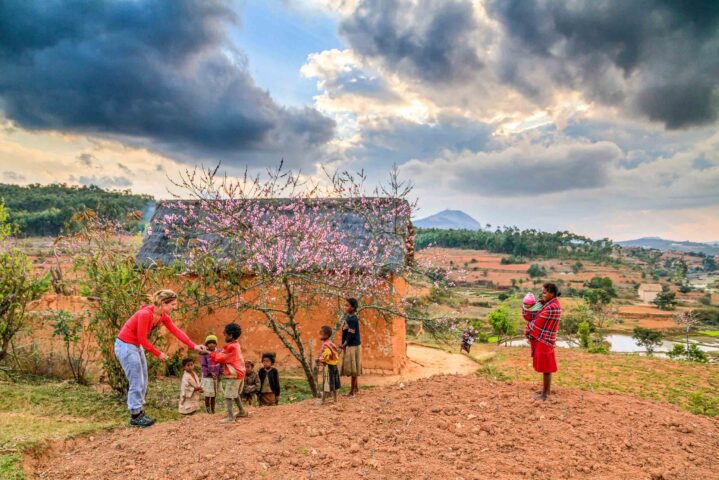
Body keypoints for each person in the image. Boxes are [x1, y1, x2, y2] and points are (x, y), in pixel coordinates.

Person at [114, 289, 206, 427]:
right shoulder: (145, 314)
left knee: (143, 379)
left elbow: (176, 331)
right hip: (126, 346)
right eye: (172, 305)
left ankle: (138, 412)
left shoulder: (162, 316)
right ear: (163, 303)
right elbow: (142, 339)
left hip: (135, 345)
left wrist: (194, 345)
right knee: (137, 381)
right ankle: (135, 416)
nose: (175, 308)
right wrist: (158, 353)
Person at [522, 283, 562, 401]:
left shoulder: (552, 308)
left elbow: (538, 322)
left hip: (545, 340)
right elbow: (534, 316)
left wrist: (529, 327)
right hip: (545, 339)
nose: (542, 295)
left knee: (546, 368)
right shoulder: (549, 305)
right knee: (546, 367)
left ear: (552, 293)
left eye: (544, 292)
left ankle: (545, 394)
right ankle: (546, 391)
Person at [205, 323, 248, 423]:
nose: (224, 336)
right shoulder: (235, 345)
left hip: (234, 375)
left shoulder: (232, 348)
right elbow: (222, 353)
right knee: (235, 393)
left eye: (225, 334)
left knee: (228, 396)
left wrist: (208, 353)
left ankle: (230, 417)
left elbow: (221, 357)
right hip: (239, 374)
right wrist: (210, 353)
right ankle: (242, 411)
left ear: (230, 335)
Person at [340, 297, 362, 397]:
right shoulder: (348, 317)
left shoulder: (353, 319)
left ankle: (352, 391)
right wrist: (343, 342)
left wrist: (344, 344)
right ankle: (356, 388)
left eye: (347, 305)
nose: (345, 307)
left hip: (353, 346)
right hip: (350, 345)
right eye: (345, 305)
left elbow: (351, 333)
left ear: (353, 308)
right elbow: (344, 332)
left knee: (353, 369)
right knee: (354, 367)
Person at [317, 325, 341, 404]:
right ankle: (335, 400)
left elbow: (326, 356)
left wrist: (319, 360)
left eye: (321, 333)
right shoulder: (331, 344)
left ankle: (323, 401)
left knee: (326, 383)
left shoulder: (325, 345)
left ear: (326, 335)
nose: (319, 334)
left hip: (328, 366)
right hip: (334, 365)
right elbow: (335, 354)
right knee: (334, 382)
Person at [200, 335, 222, 414]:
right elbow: (203, 366)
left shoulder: (219, 352)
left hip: (215, 378)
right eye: (209, 343)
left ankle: (213, 410)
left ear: (216, 344)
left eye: (213, 343)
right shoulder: (204, 353)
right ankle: (208, 410)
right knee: (207, 394)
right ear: (206, 344)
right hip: (207, 378)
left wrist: (220, 375)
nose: (211, 344)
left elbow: (221, 364)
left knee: (214, 395)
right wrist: (209, 373)